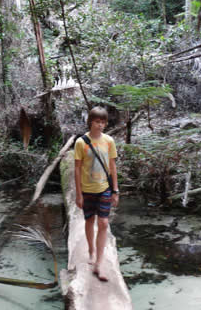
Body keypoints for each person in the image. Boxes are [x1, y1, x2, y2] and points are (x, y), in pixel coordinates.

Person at [74, 106, 119, 282]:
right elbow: (77, 170)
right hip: (87, 189)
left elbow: (113, 166)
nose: (100, 125)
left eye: (103, 122)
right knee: (89, 220)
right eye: (97, 121)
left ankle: (99, 264)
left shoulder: (109, 141)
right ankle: (91, 251)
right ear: (90, 122)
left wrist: (115, 190)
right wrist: (78, 194)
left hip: (104, 188)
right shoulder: (81, 143)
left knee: (103, 222)